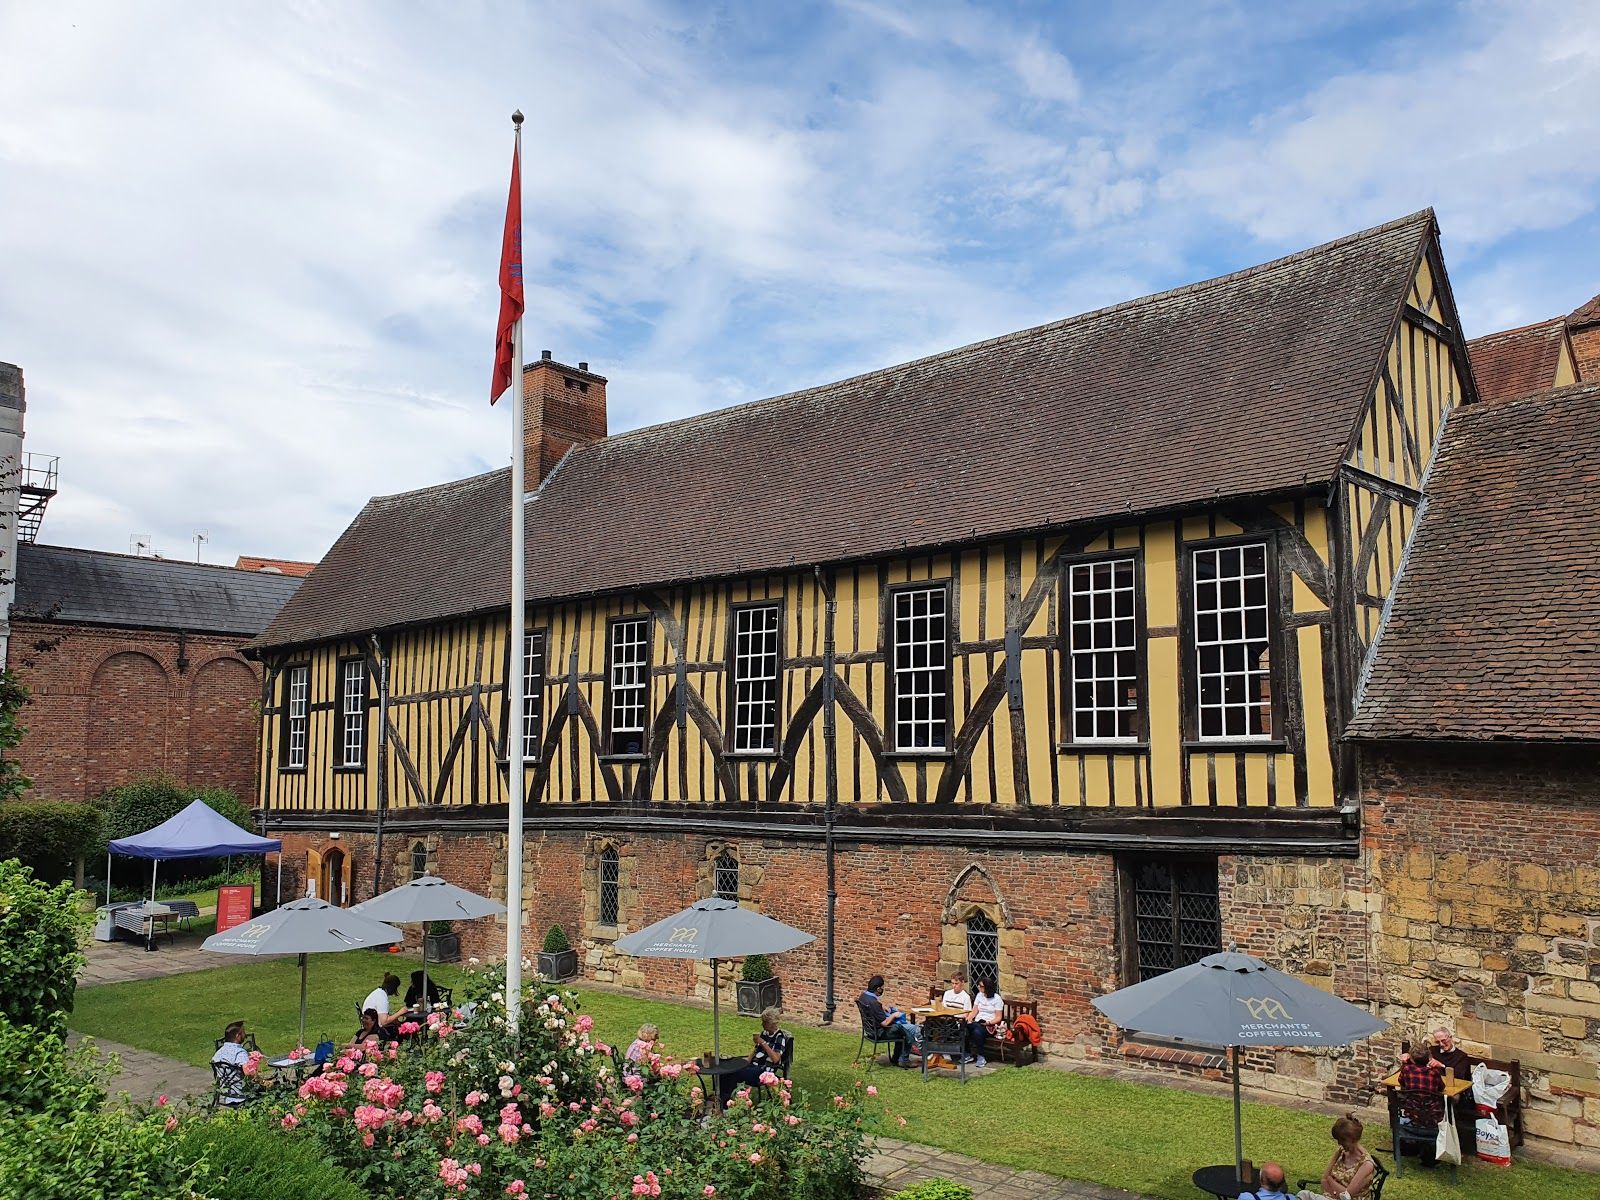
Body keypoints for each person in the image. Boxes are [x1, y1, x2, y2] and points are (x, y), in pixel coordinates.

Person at [717, 1006, 793, 1107]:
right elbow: (756, 1050)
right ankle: (720, 1098)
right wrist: (747, 1060)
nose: (762, 1024)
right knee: (726, 1070)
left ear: (772, 1023)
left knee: (734, 1074)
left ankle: (726, 1104)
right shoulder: (764, 1033)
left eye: (764, 1022)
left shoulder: (780, 1037)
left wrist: (763, 1043)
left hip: (764, 1071)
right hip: (753, 1066)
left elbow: (776, 1059)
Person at [1293, 1113, 1377, 1200]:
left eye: (1342, 1140)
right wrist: (1334, 1192)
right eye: (1338, 1140)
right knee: (1303, 1194)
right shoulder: (1341, 1152)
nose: (1339, 1143)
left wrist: (1330, 1180)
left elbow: (1346, 1196)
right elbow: (1323, 1181)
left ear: (1352, 1139)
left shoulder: (1366, 1164)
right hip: (1330, 1197)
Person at [1397, 1043, 1445, 1166]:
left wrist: (1406, 1063)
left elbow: (1401, 1081)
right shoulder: (1434, 1073)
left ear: (1412, 1058)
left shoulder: (1407, 1070)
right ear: (1429, 1058)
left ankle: (1408, 1149)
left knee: (1401, 1109)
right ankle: (1431, 1156)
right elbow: (1441, 1087)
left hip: (1411, 1123)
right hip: (1432, 1125)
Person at [857, 975, 918, 1067]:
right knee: (910, 1030)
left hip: (870, 1031)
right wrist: (894, 1015)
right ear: (878, 989)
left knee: (905, 1030)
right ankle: (904, 1060)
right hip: (879, 1033)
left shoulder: (863, 996)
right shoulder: (874, 1003)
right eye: (882, 988)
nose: (882, 990)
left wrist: (882, 1006)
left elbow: (874, 1008)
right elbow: (884, 1023)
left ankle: (896, 1059)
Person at [966, 977, 1004, 1067]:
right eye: (978, 986)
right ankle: (967, 1054)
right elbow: (974, 1011)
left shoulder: (997, 999)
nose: (979, 987)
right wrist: (969, 1018)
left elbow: (998, 1017)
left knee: (976, 1031)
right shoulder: (979, 995)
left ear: (988, 987)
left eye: (981, 986)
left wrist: (989, 1022)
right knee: (966, 1028)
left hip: (990, 1025)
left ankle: (981, 1056)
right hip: (978, 1022)